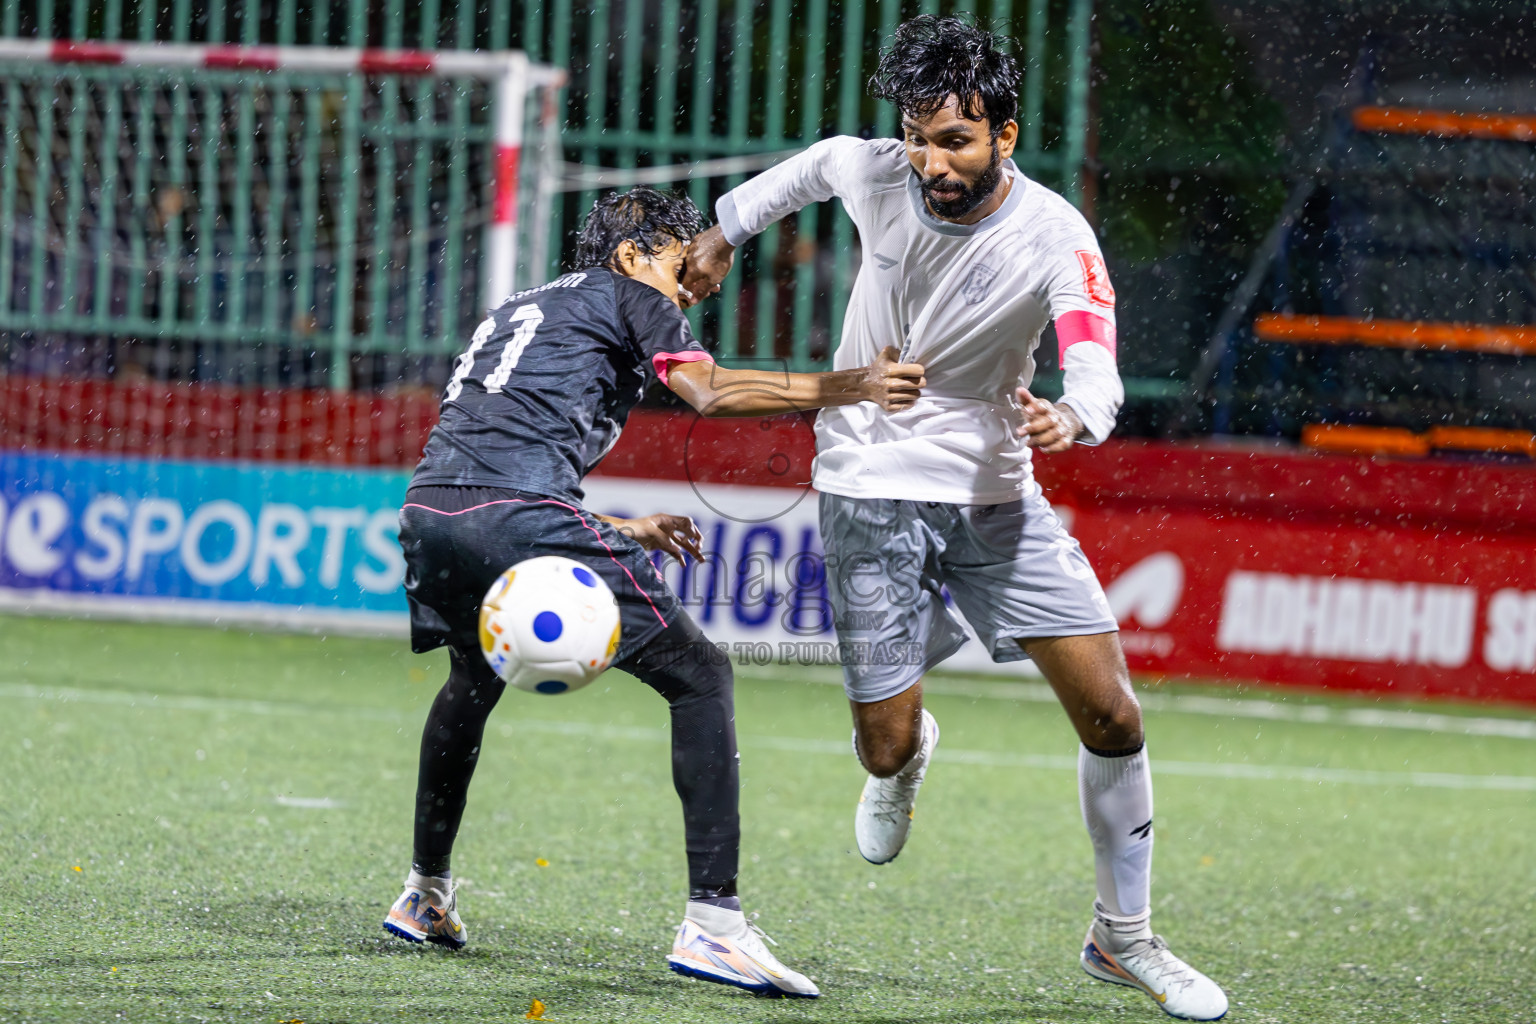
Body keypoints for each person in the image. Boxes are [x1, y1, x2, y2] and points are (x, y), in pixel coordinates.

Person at [681, 16, 1228, 1021]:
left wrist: (1075, 412)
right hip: (866, 483)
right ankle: (909, 751)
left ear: (1005, 137)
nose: (929, 162)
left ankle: (1125, 938)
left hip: (995, 491)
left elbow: (1094, 354)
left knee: (1113, 712)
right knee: (882, 746)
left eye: (955, 142)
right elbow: (813, 167)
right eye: (918, 137)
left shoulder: (1057, 233)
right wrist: (720, 236)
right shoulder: (876, 168)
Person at [383, 186, 925, 1000]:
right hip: (516, 514)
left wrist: (617, 527)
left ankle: (424, 893)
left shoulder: (523, 304)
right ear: (634, 255)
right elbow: (708, 392)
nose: (695, 282)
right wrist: (853, 386)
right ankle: (715, 927)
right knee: (699, 674)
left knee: (473, 678)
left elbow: (506, 439)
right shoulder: (634, 293)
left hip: (432, 512)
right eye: (682, 262)